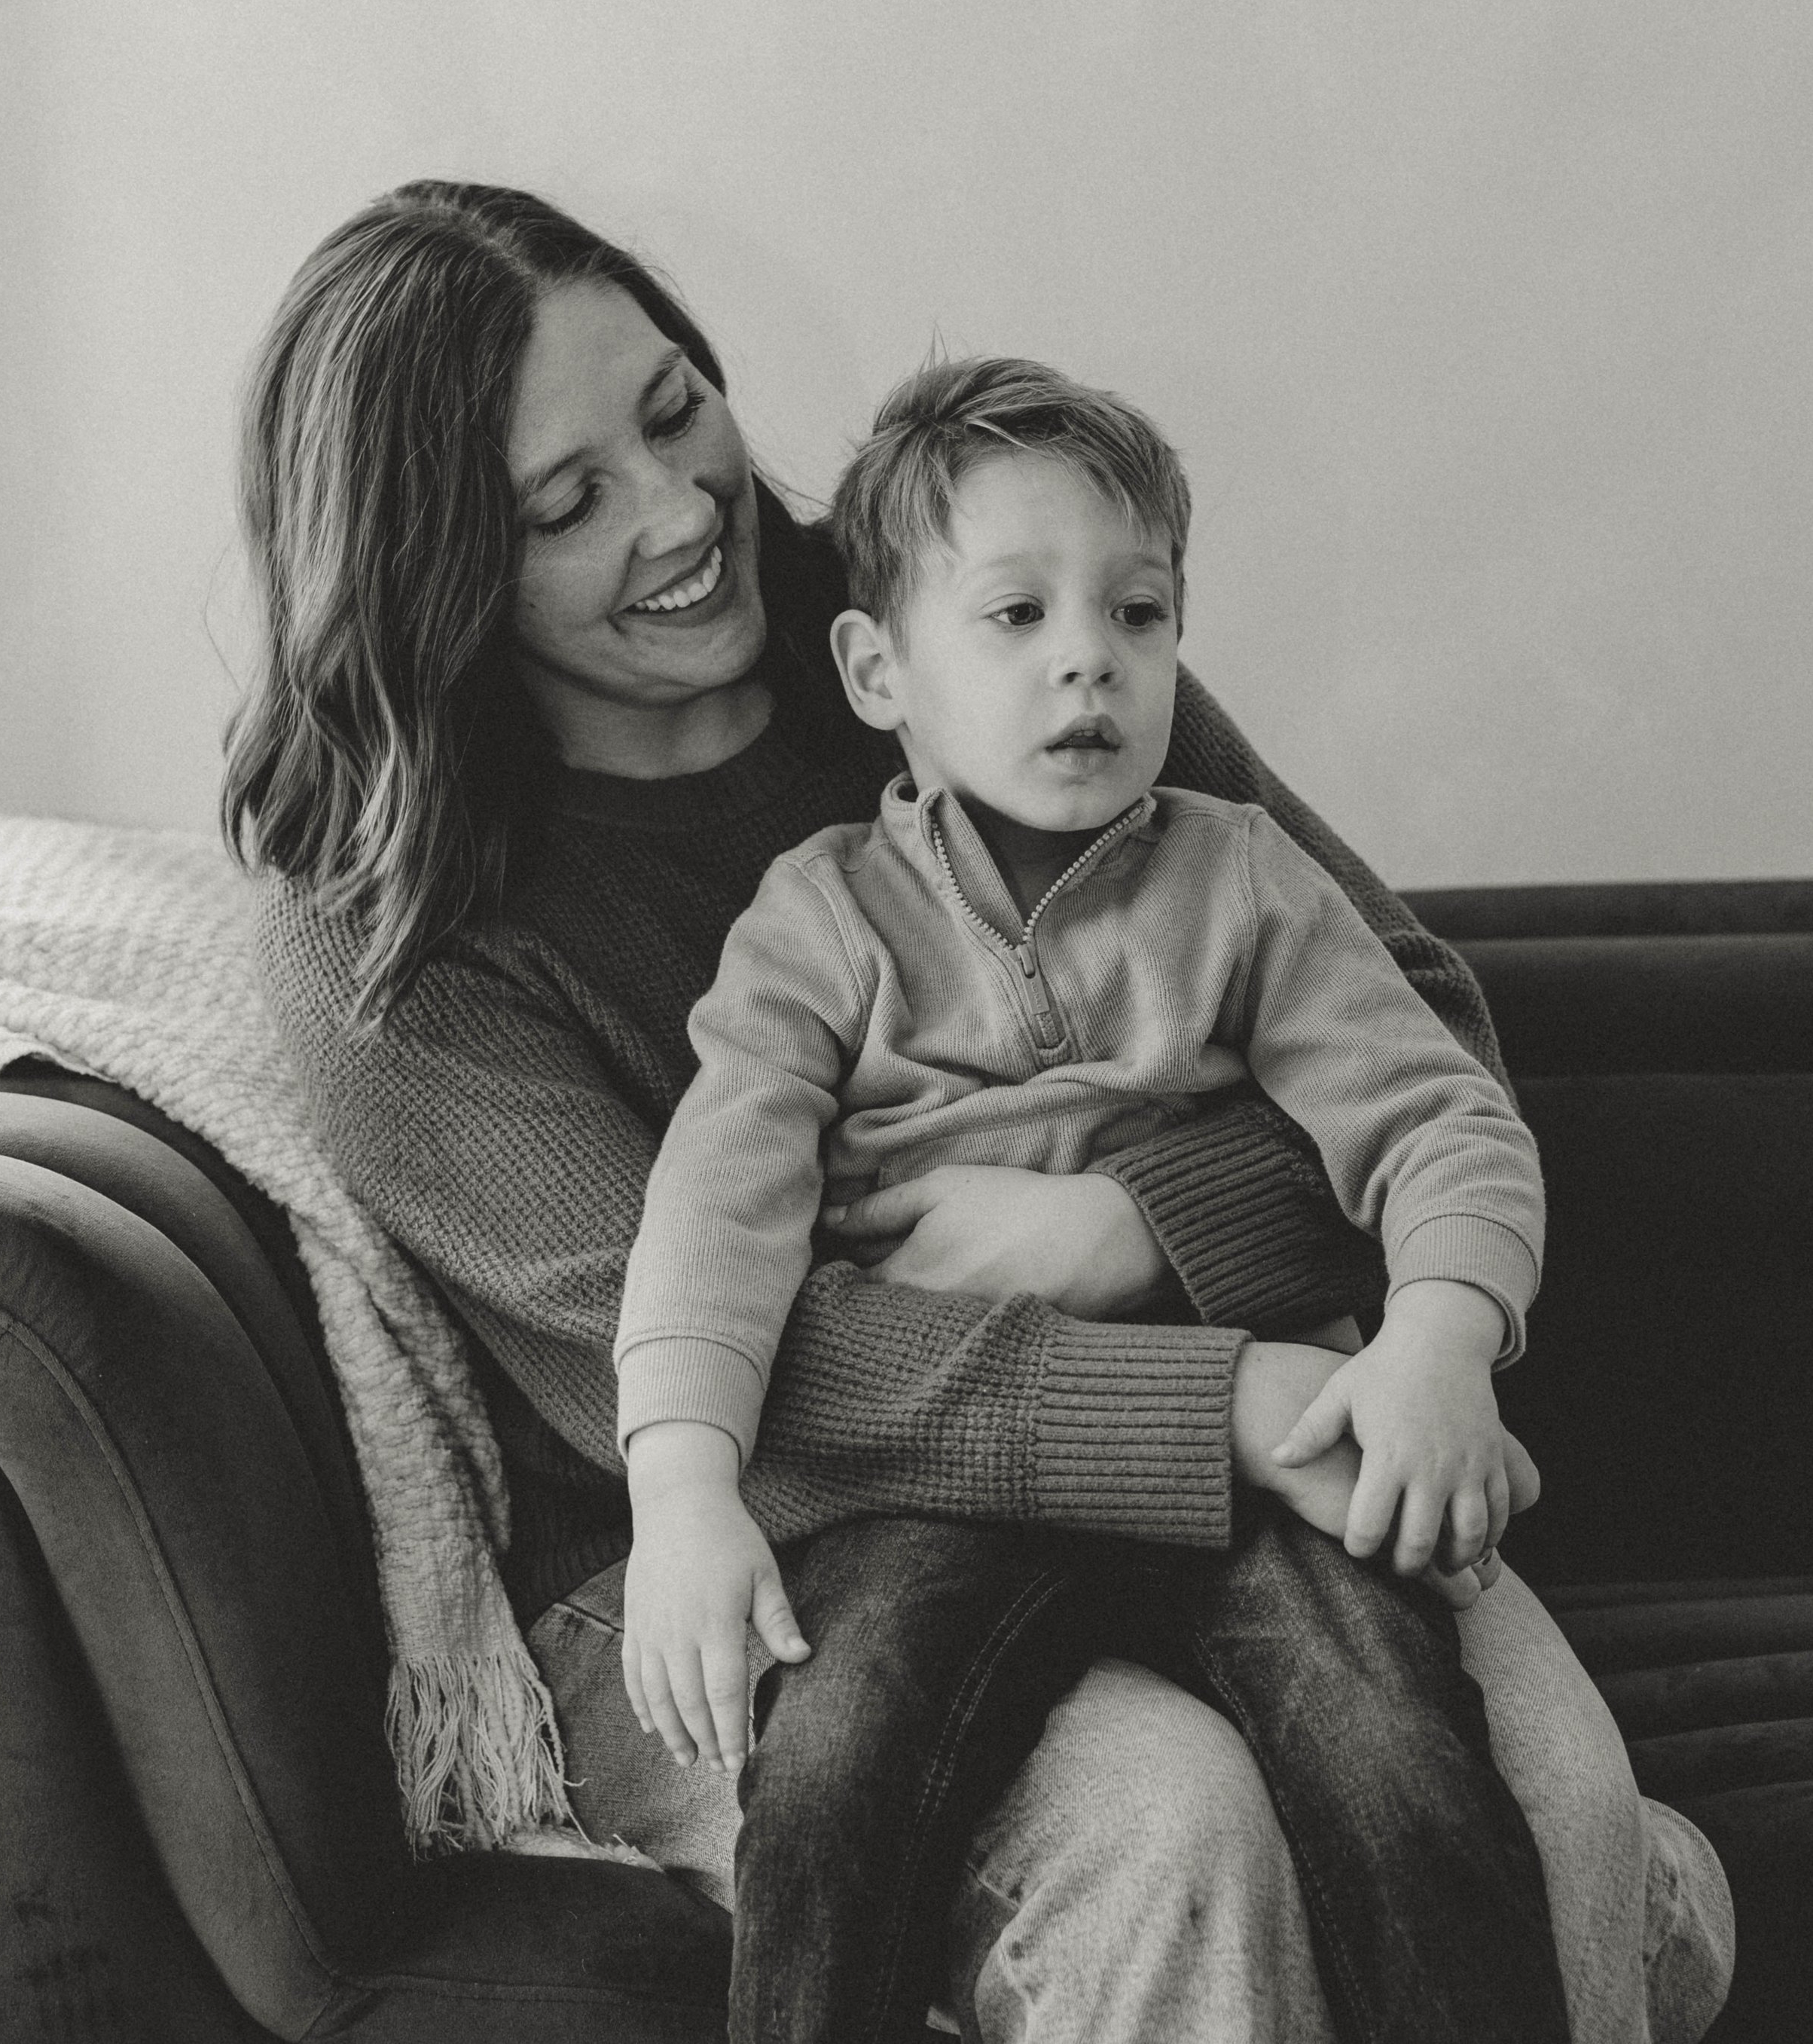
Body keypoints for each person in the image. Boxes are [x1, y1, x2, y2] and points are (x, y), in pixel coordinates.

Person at [227, 179, 1733, 2044]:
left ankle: (1626, 1925)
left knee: (1551, 1806)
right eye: (567, 502)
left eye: (675, 408)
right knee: (1174, 1835)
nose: (685, 510)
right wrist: (1232, 1407)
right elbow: (735, 1363)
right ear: (435, 569)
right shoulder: (388, 936)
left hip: (1264, 1396)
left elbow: (1413, 1033)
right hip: (765, 1537)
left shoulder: (1001, 618)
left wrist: (1148, 1229)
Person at [614, 353, 1569, 2044]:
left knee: (1401, 1767)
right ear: (874, 668)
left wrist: (1436, 1338)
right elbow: (716, 1207)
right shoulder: (818, 921)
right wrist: (681, 1484)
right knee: (832, 1764)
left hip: (1268, 1450)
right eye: (1015, 616)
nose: (1088, 658)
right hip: (944, 1484)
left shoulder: (1242, 881)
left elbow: (1442, 1119)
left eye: (1138, 613)